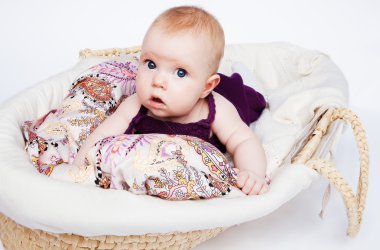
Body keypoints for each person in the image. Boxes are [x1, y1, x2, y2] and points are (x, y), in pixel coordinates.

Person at [74, 6, 269, 195]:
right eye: (151, 64)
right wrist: (78, 166)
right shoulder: (136, 103)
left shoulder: (217, 109)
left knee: (253, 98)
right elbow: (103, 135)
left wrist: (252, 173)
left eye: (180, 72)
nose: (158, 81)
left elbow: (244, 141)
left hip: (235, 96)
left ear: (206, 87)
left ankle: (244, 76)